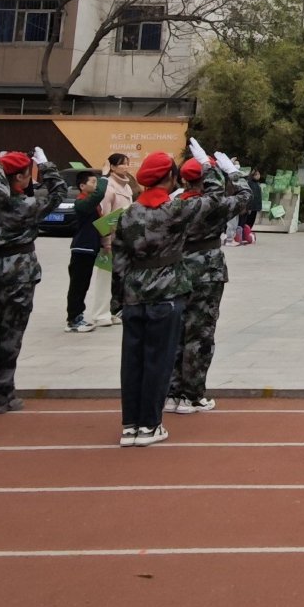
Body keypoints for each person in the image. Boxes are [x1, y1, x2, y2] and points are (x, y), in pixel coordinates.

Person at [113, 150, 189, 446]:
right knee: (159, 362)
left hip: (133, 294)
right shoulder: (176, 210)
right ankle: (150, 425)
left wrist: (117, 300)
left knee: (132, 363)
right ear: (170, 178)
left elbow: (118, 260)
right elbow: (220, 202)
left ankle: (130, 425)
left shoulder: (128, 213)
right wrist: (216, 172)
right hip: (166, 293)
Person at [0, 151, 45, 415]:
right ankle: (2, 395)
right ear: (20, 177)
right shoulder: (27, 206)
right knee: (10, 336)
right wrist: (46, 166)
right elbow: (58, 193)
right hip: (18, 275)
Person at [169, 154, 243, 414]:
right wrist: (230, 171)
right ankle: (193, 394)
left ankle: (172, 392)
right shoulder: (214, 205)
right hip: (207, 272)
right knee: (200, 336)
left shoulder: (176, 202)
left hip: (178, 270)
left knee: (176, 332)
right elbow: (245, 196)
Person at [90, 152, 134, 326]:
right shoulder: (108, 186)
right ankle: (100, 314)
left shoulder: (127, 187)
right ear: (113, 166)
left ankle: (113, 310)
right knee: (105, 276)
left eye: (127, 163)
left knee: (120, 277)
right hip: (110, 239)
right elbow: (104, 214)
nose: (126, 167)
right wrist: (105, 239)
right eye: (122, 164)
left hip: (125, 238)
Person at [64, 169, 105, 332]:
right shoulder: (81, 202)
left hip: (91, 247)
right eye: (93, 182)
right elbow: (98, 195)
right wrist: (104, 179)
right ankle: (74, 319)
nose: (96, 185)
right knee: (78, 285)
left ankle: (76, 316)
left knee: (83, 284)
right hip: (82, 247)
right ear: (82, 186)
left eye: (96, 182)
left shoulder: (90, 203)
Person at [239, 168, 263, 246]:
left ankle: (247, 234)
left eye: (259, 174)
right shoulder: (250, 183)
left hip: (255, 207)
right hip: (250, 207)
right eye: (256, 174)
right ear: (253, 175)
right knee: (247, 222)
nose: (258, 176)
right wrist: (248, 207)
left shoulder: (257, 184)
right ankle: (244, 235)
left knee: (251, 222)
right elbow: (249, 195)